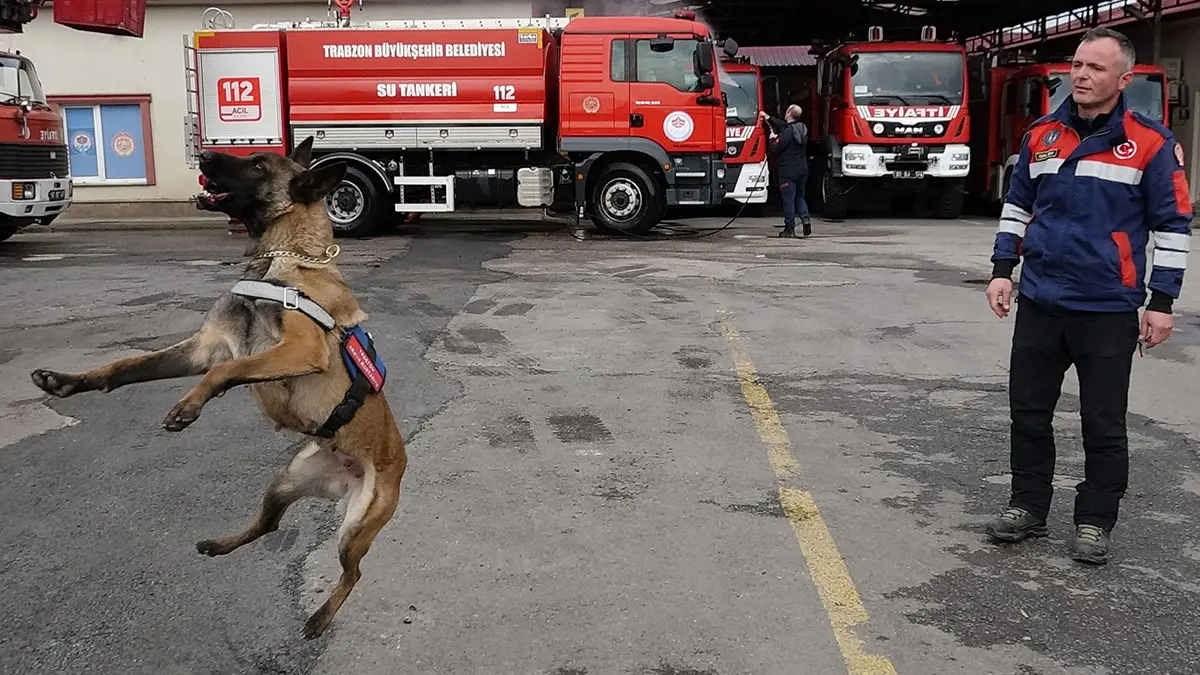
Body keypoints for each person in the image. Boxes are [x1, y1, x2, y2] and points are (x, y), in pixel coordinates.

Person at [984, 27, 1193, 564]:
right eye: (1077, 65)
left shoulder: (1150, 144)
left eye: (1095, 68)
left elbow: (1173, 227)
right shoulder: (1043, 134)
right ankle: (1027, 506)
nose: (1080, 75)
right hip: (1041, 300)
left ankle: (1095, 520)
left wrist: (1162, 302)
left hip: (1106, 307)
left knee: (1103, 422)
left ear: (1123, 79)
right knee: (1028, 413)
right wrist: (1003, 269)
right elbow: (1017, 207)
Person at [760, 105, 811, 238]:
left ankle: (789, 229)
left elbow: (776, 147)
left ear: (788, 113)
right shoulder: (802, 128)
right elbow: (783, 125)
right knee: (799, 196)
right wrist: (767, 118)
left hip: (788, 171)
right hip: (802, 170)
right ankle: (805, 219)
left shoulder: (787, 132)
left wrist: (772, 138)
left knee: (788, 200)